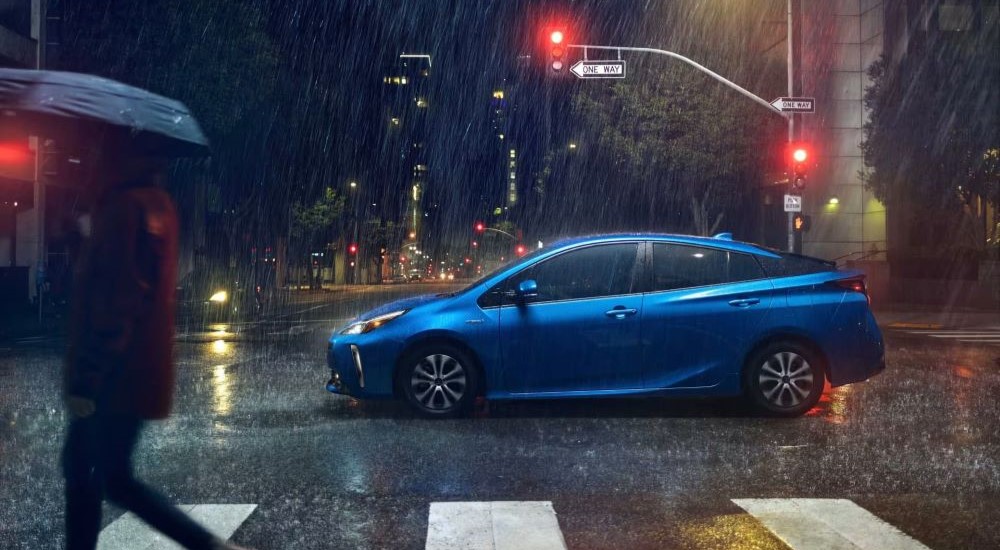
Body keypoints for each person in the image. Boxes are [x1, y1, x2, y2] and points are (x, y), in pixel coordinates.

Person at [62, 151, 249, 550]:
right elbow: (114, 279)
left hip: (112, 376)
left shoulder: (123, 209)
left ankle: (210, 546)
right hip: (133, 369)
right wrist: (79, 243)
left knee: (101, 476)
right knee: (92, 473)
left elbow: (117, 298)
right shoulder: (152, 204)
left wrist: (87, 377)